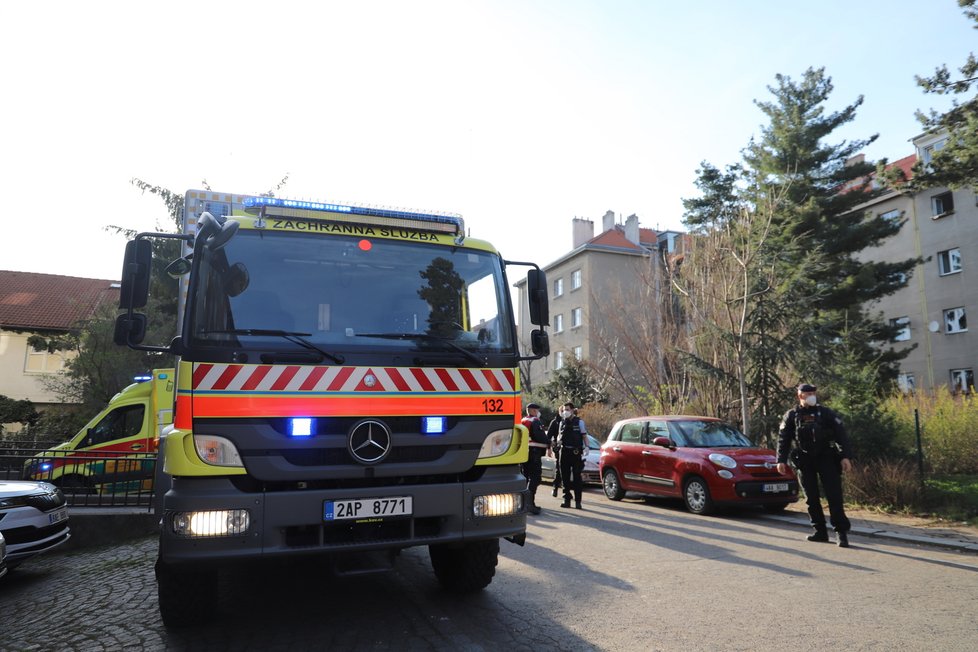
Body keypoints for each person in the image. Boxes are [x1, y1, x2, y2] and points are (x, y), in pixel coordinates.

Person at [777, 383, 854, 547]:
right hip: (805, 460)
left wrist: (845, 457)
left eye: (813, 392)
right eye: (808, 393)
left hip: (826, 457)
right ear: (800, 396)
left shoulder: (826, 413)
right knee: (811, 498)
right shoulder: (792, 415)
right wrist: (781, 460)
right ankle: (820, 531)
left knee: (834, 496)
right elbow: (783, 439)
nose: (812, 395)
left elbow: (841, 435)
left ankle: (841, 533)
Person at [556, 401, 587, 509]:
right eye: (564, 410)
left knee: (577, 477)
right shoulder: (562, 423)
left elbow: (584, 436)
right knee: (564, 477)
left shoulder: (579, 422)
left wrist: (587, 447)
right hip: (564, 451)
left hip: (575, 452)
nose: (565, 412)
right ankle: (566, 499)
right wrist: (558, 442)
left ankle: (578, 501)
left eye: (568, 410)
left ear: (573, 410)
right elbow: (559, 436)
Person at [521, 403, 549, 515]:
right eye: (537, 410)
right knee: (535, 478)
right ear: (532, 410)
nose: (538, 412)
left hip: (525, 452)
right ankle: (530, 504)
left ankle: (523, 503)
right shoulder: (535, 421)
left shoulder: (523, 420)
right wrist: (549, 442)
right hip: (534, 452)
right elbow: (540, 436)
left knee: (525, 477)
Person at [546, 412, 563, 497]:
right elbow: (548, 436)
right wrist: (549, 448)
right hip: (558, 448)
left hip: (568, 449)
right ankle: (555, 487)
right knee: (559, 469)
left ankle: (565, 490)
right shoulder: (555, 422)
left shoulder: (570, 421)